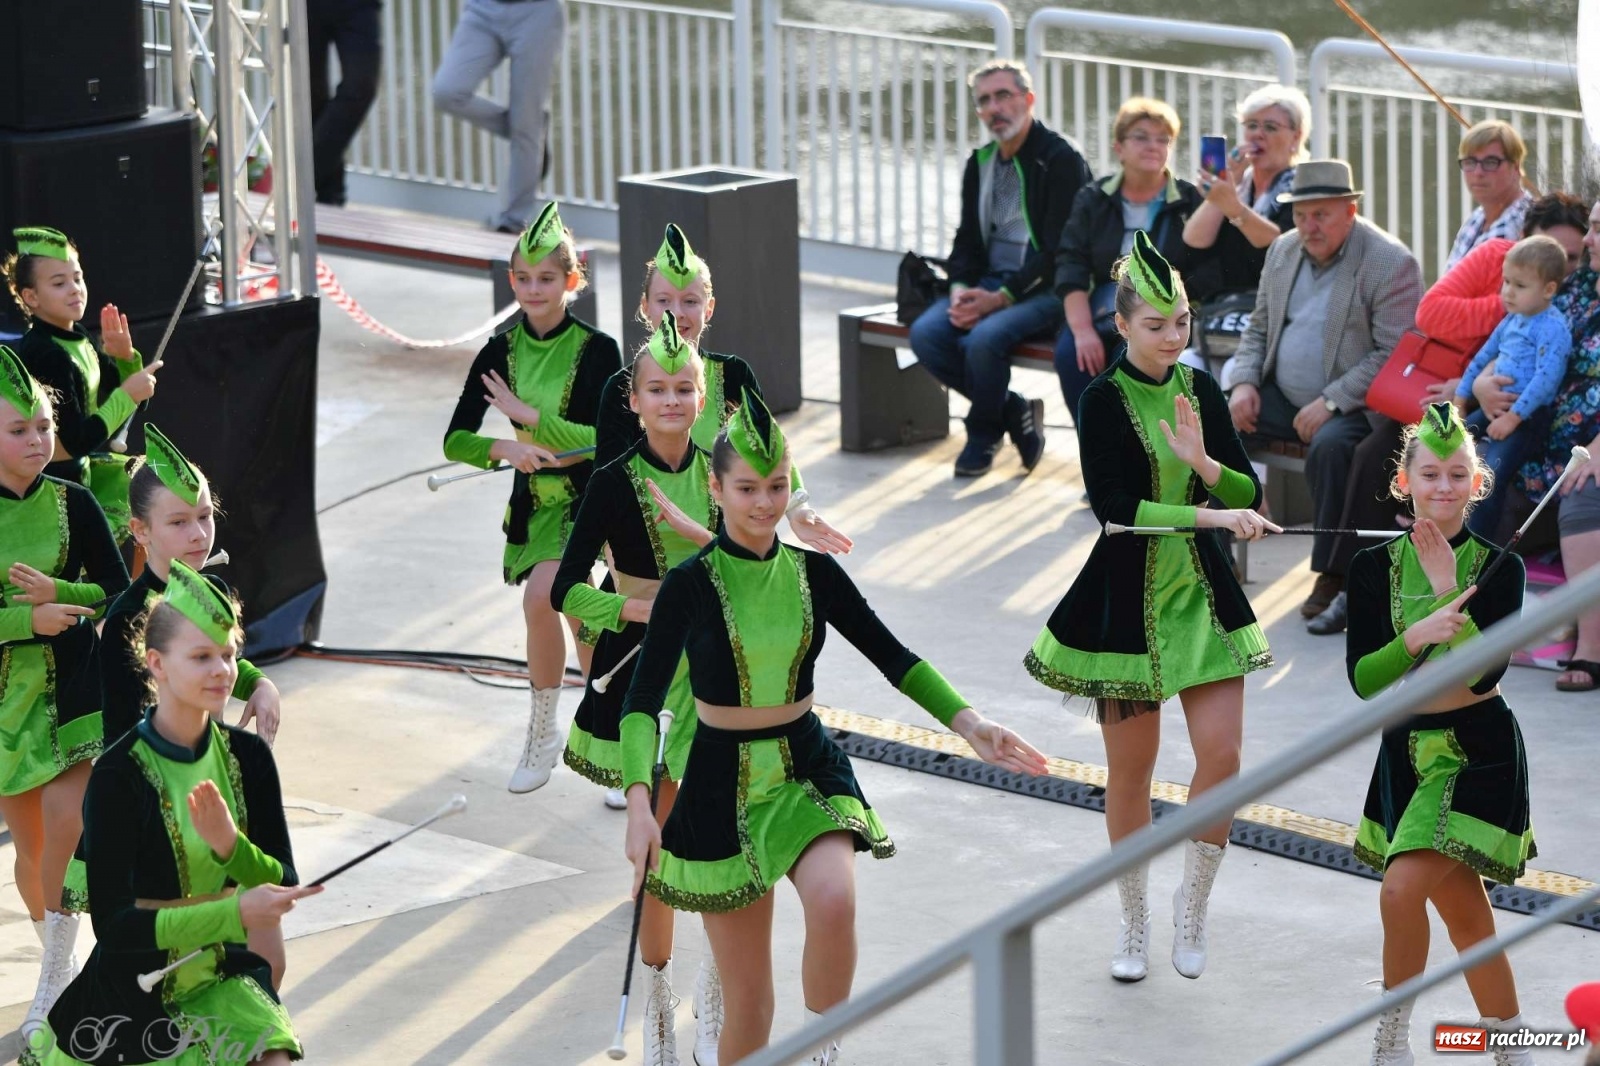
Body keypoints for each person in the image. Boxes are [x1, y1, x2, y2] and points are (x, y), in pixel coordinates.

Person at [621, 389, 1046, 1065]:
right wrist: (641, 803)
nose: (764, 504)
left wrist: (970, 722)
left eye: (778, 486)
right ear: (716, 487)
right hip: (716, 784)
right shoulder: (689, 584)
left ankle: (825, 1051)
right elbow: (641, 703)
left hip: (803, 766)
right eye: (748, 488)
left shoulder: (814, 574)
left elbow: (892, 655)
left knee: (834, 903)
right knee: (751, 1011)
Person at [1025, 232, 1276, 985]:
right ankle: (1133, 918)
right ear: (1122, 324)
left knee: (1223, 760)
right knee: (1130, 774)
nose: (1175, 337)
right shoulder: (1100, 398)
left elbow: (1248, 495)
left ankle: (1190, 906)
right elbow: (1113, 508)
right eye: (1158, 325)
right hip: (1124, 601)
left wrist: (1208, 470)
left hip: (1202, 595)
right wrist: (1209, 514)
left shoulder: (1200, 390)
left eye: (1183, 322)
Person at [28, 560, 319, 1065]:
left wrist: (232, 846)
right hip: (133, 993)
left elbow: (281, 880)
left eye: (228, 655)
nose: (222, 671)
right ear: (157, 665)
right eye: (202, 656)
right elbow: (116, 928)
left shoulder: (249, 759)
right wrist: (231, 911)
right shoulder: (120, 775)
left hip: (222, 974)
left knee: (274, 1055)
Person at [555, 314, 725, 1063]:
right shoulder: (612, 481)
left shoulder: (724, 472)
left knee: (723, 838)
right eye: (656, 389)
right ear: (632, 399)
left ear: (703, 391)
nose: (672, 401)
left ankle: (717, 986)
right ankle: (656, 999)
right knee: (655, 847)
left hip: (723, 672)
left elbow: (760, 552)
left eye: (684, 387)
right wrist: (635, 606)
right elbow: (564, 589)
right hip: (645, 668)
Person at [1347, 403, 1536, 1066]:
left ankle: (1390, 1038)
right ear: (1405, 482)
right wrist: (1414, 637)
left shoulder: (1500, 568)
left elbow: (1485, 675)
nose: (1444, 488)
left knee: (1402, 889)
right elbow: (1366, 680)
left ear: (1478, 484)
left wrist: (1446, 588)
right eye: (1430, 474)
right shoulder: (1372, 566)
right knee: (1467, 920)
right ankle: (1515, 1048)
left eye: (1459, 474)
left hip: (1478, 750)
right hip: (1407, 750)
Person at [443, 202, 621, 792]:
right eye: (523, 278)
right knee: (562, 606)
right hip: (535, 506)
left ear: (573, 281)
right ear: (511, 280)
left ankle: (609, 738)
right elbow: (456, 439)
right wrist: (506, 449)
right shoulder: (498, 351)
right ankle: (555, 733)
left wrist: (529, 418)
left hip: (590, 499)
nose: (534, 289)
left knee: (555, 597)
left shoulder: (600, 351)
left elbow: (610, 440)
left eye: (548, 278)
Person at [1226, 160, 1423, 625]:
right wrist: (1244, 382)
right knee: (1216, 421)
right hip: (1280, 391)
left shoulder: (1390, 262)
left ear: (1350, 210)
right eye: (1300, 215)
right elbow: (1258, 328)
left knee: (1332, 448)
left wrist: (1332, 399)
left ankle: (1332, 573)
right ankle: (1217, 552)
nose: (1308, 227)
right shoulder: (1282, 249)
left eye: (1321, 215)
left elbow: (1394, 352)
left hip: (1355, 402)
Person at [0, 346, 130, 1040]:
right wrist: (26, 618)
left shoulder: (73, 501)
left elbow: (118, 590)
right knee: (28, 853)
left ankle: (55, 981)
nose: (37, 440)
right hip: (4, 704)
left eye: (43, 426)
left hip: (78, 687)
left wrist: (64, 597)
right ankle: (60, 955)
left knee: (65, 826)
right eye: (18, 429)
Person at [595, 223, 852, 555]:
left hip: (728, 543)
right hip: (647, 550)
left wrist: (797, 508)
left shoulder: (733, 374)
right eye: (664, 300)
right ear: (646, 307)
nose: (677, 313)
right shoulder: (620, 387)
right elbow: (608, 486)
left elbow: (767, 447)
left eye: (690, 300)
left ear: (709, 308)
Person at [907, 59, 1093, 477]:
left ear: (1028, 100)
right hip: (993, 282)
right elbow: (968, 239)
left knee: (983, 340)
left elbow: (1062, 251)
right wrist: (959, 289)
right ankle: (1013, 409)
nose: (995, 108)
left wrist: (999, 299)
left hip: (1051, 288)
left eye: (1004, 96)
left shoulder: (1060, 158)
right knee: (928, 333)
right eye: (984, 101)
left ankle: (982, 433)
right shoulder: (982, 161)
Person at [101, 425, 282, 748]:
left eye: (205, 516)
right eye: (178, 522)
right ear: (141, 531)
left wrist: (260, 685)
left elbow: (225, 663)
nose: (199, 534)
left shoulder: (214, 590)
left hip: (212, 760)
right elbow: (120, 728)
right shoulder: (128, 616)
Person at [4, 226, 162, 554]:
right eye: (59, 283)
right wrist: (127, 394)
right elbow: (77, 439)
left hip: (80, 473)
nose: (75, 289)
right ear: (30, 296)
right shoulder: (45, 352)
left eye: (78, 278)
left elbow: (125, 407)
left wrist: (125, 361)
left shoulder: (77, 337)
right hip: (53, 485)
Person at [1054, 97, 1210, 423]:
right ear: (1119, 147)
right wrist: (1082, 330)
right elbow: (1072, 263)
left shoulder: (1189, 201)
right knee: (1072, 354)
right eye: (1141, 137)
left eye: (1162, 139)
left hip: (1161, 310)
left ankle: (1134, 457)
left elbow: (1204, 267)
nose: (1153, 146)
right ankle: (1095, 453)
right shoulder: (1094, 197)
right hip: (1105, 303)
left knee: (1128, 364)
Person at [1515, 196, 1600, 692]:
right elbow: (1520, 339)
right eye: (1589, 227)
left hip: (1586, 452)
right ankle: (1448, 629)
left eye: (1596, 230)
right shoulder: (1577, 289)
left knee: (1583, 493)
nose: (1585, 242)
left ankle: (1590, 648)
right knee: (1463, 471)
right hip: (1546, 437)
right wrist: (1483, 384)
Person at [1453, 235, 1571, 537]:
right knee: (1444, 444)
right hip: (1497, 410)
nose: (1508, 292)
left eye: (1519, 286)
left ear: (1548, 290)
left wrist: (1514, 417)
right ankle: (1439, 528)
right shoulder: (1512, 320)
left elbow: (1546, 381)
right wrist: (1461, 397)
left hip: (1526, 418)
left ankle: (1478, 549)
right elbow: (1483, 357)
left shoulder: (1553, 327)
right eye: (1506, 282)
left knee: (1490, 473)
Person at [431, 0, 566, 233]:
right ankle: (533, 132)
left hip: (537, 12)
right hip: (482, 9)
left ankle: (514, 221)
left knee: (526, 123)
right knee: (447, 92)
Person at [1416, 193, 1590, 354]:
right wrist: (1510, 303)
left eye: (1570, 257)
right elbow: (1428, 314)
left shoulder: (1580, 292)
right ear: (1522, 239)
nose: (1556, 265)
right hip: (1440, 374)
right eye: (1544, 249)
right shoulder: (1495, 256)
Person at [1182, 84, 1311, 296]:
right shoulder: (1240, 183)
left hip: (1281, 300)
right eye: (1251, 125)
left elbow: (1281, 244)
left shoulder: (1302, 185)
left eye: (1270, 127)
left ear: (1296, 137)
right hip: (1228, 305)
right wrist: (1226, 182)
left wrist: (1233, 207)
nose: (1257, 135)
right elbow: (1195, 241)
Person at [307, 0, 382, 206]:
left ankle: (302, 177)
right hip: (302, 6)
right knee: (309, 95)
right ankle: (330, 195)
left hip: (358, 6)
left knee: (361, 87)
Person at [1446, 120, 1535, 271]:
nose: (1478, 172)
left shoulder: (1521, 227)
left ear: (1515, 167)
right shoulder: (1478, 217)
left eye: (1490, 162)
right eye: (1470, 162)